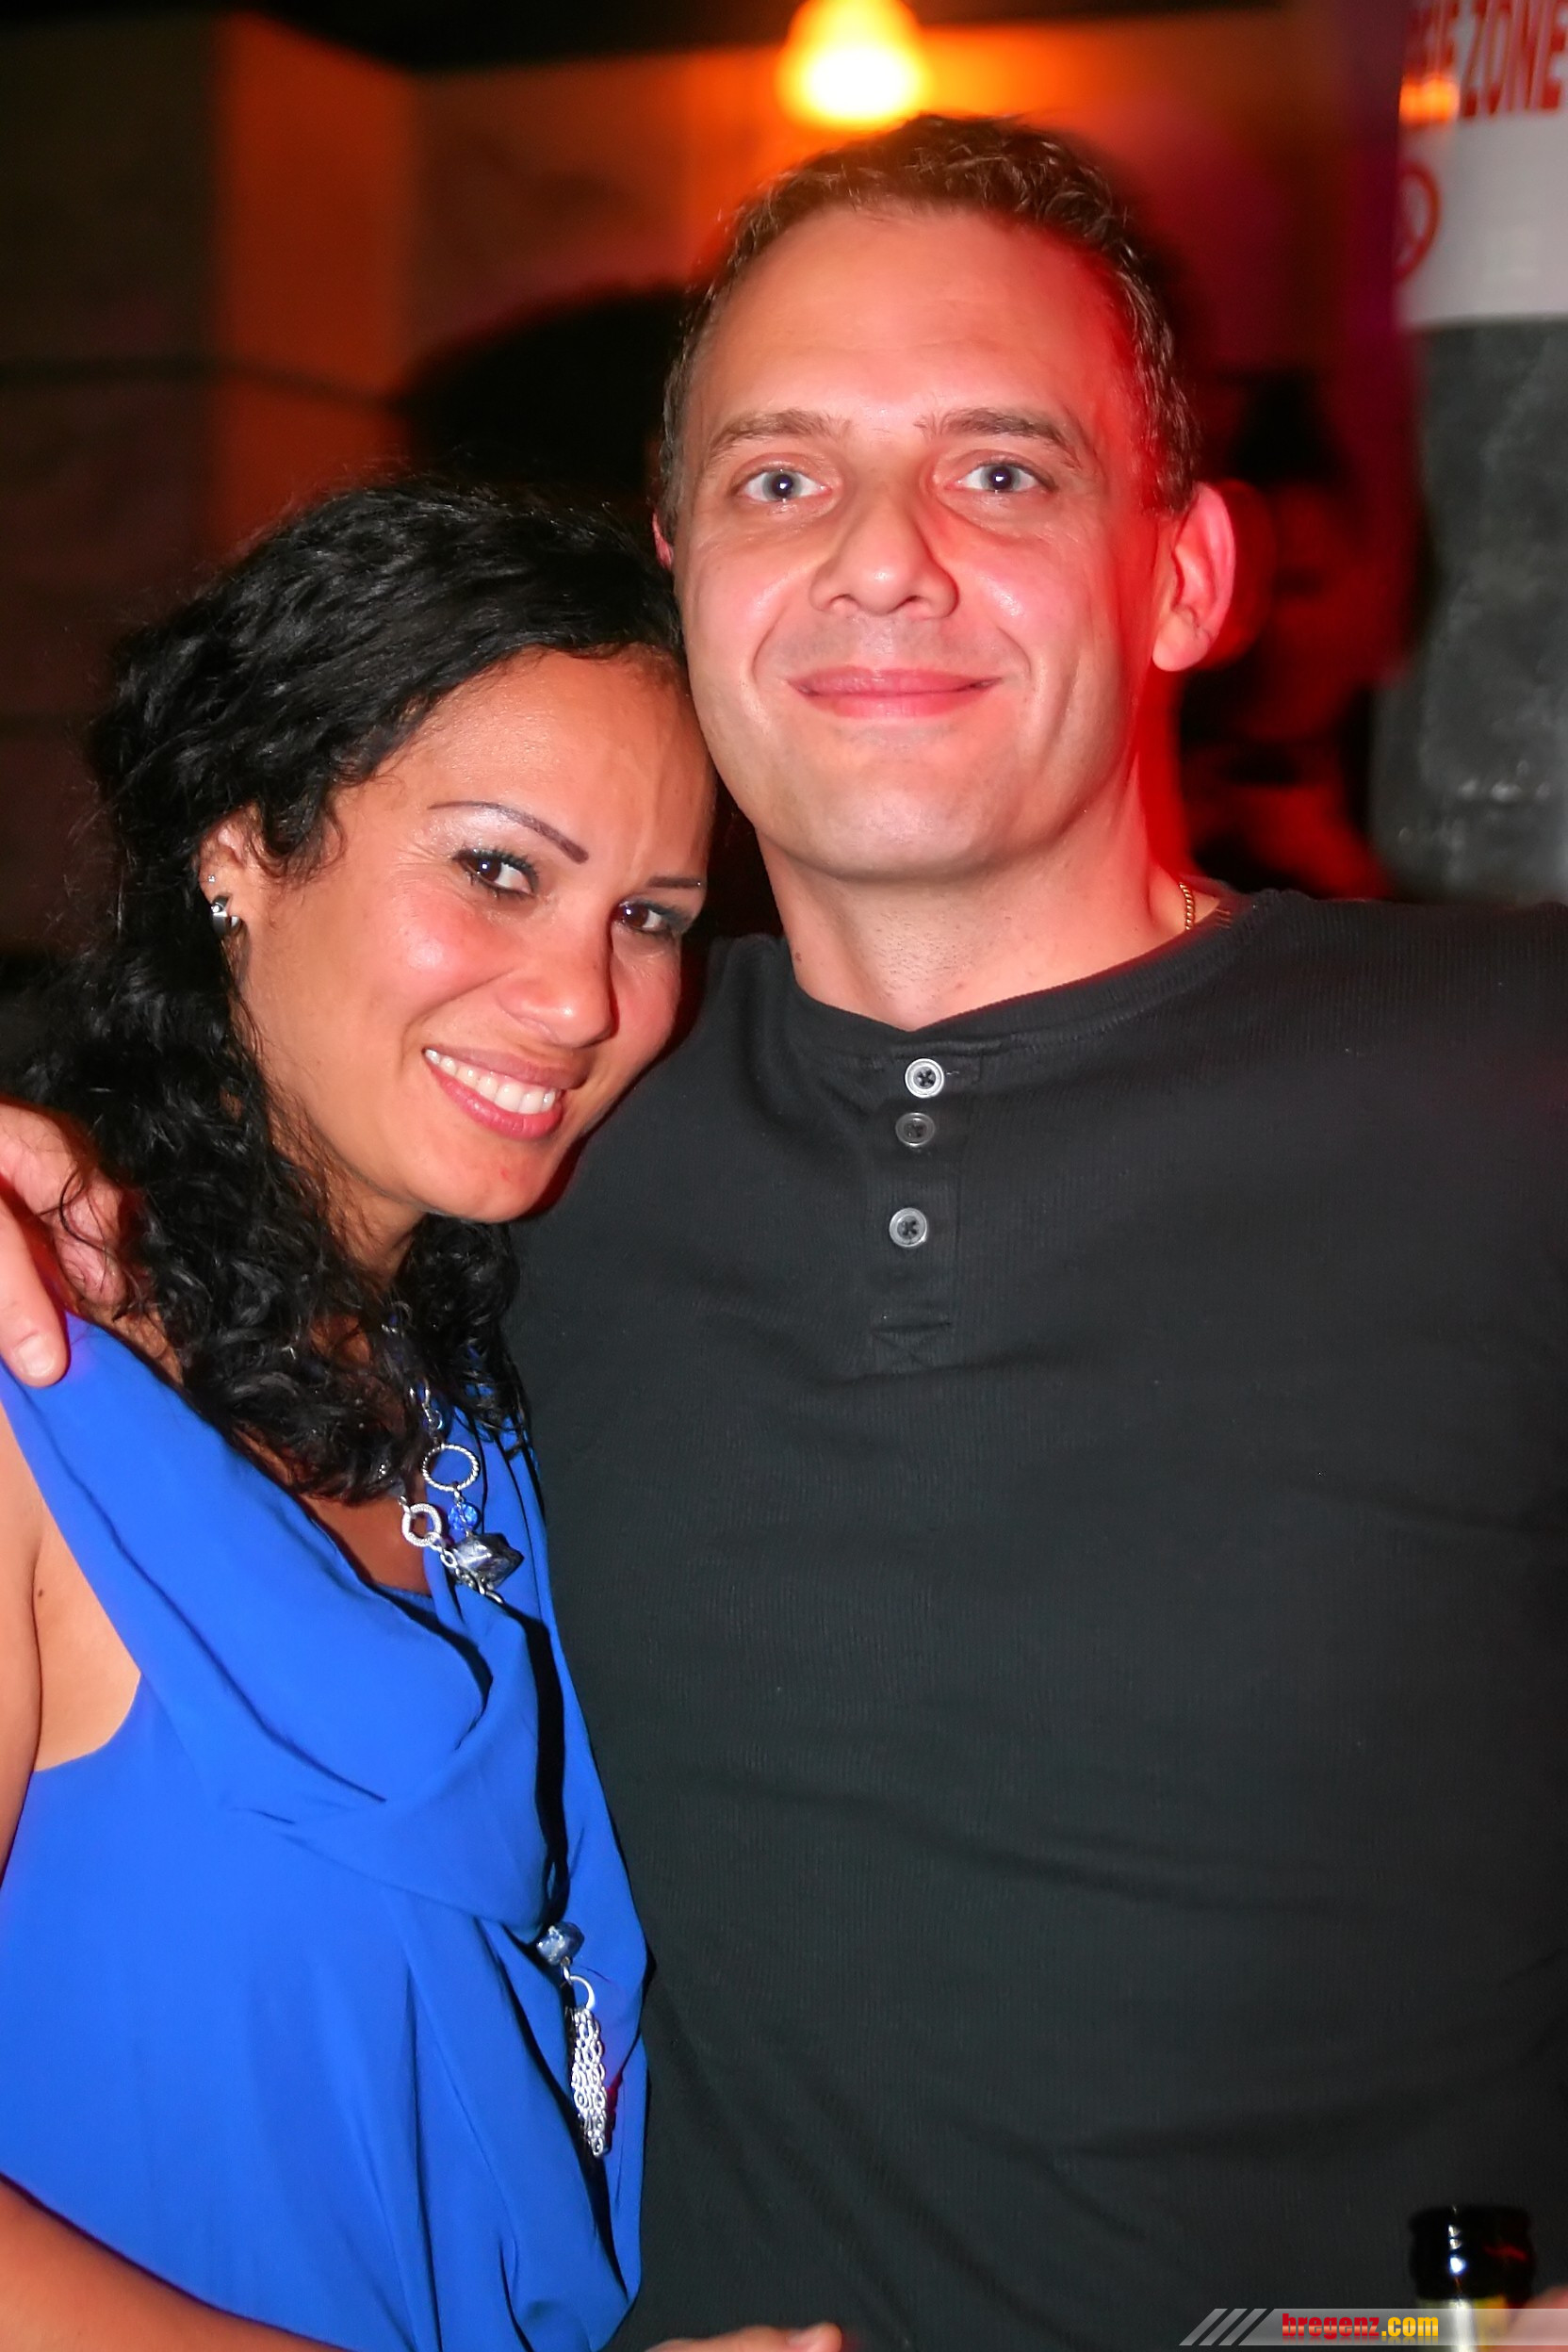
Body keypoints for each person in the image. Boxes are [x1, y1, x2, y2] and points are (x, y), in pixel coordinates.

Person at [3, 114, 1568, 2350]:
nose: (883, 560)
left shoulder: (1515, 1082)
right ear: (685, 577)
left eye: (1002, 470)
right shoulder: (528, 1134)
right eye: (780, 476)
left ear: (1187, 573)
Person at [0, 479, 830, 2352]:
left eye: (650, 916)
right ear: (242, 842)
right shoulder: (36, 1385)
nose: (584, 1000)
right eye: (500, 872)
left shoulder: (485, 1403)